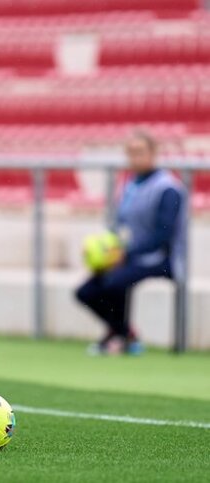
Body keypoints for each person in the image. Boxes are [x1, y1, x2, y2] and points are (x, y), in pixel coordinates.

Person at [76, 131, 188, 355]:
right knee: (86, 291)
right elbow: (120, 227)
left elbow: (161, 236)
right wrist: (106, 253)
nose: (135, 158)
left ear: (154, 153)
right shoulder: (129, 185)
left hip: (162, 259)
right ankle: (124, 333)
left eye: (140, 152)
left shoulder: (168, 188)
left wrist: (125, 254)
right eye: (131, 153)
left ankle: (118, 337)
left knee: (116, 282)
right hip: (132, 256)